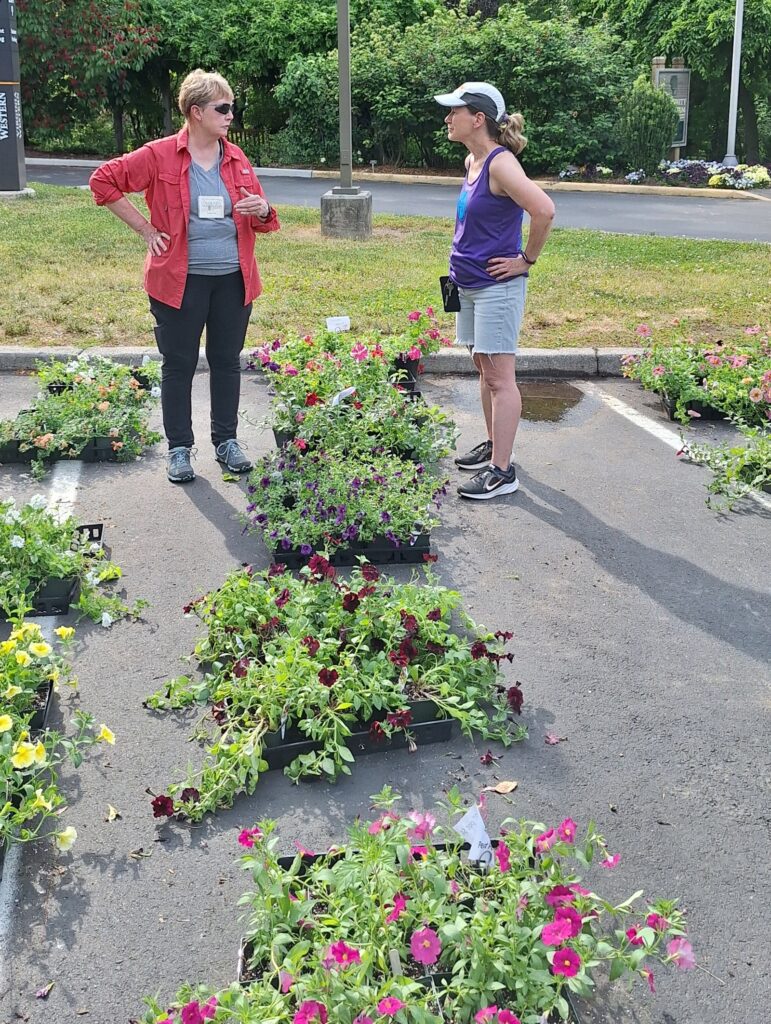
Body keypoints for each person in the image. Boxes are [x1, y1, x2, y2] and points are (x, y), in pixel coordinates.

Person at [89, 69, 279, 484]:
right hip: (179, 281)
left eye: (231, 107)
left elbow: (264, 216)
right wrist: (144, 229)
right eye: (222, 108)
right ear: (196, 112)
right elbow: (103, 182)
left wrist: (262, 211)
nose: (231, 115)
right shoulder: (158, 155)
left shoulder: (236, 157)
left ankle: (226, 443)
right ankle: (179, 449)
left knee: (227, 362)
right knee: (179, 364)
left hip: (234, 279)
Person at [435, 82, 555, 500]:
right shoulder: (473, 159)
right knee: (483, 369)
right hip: (466, 283)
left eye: (455, 111)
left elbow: (543, 210)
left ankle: (502, 472)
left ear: (478, 118)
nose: (448, 118)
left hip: (495, 289)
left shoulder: (501, 164)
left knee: (501, 379)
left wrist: (526, 259)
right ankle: (493, 444)